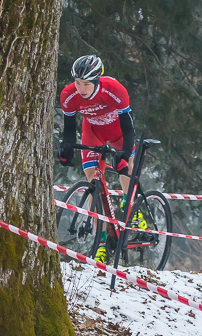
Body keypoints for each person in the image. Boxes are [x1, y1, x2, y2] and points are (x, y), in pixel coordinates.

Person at [56, 54, 145, 262]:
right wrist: (67, 149)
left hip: (120, 133)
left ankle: (129, 204)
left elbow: (128, 127)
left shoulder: (114, 90)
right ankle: (102, 242)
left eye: (86, 84)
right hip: (93, 132)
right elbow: (69, 129)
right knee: (93, 181)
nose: (81, 88)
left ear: (96, 81)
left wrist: (123, 154)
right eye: (77, 82)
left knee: (125, 169)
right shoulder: (69, 95)